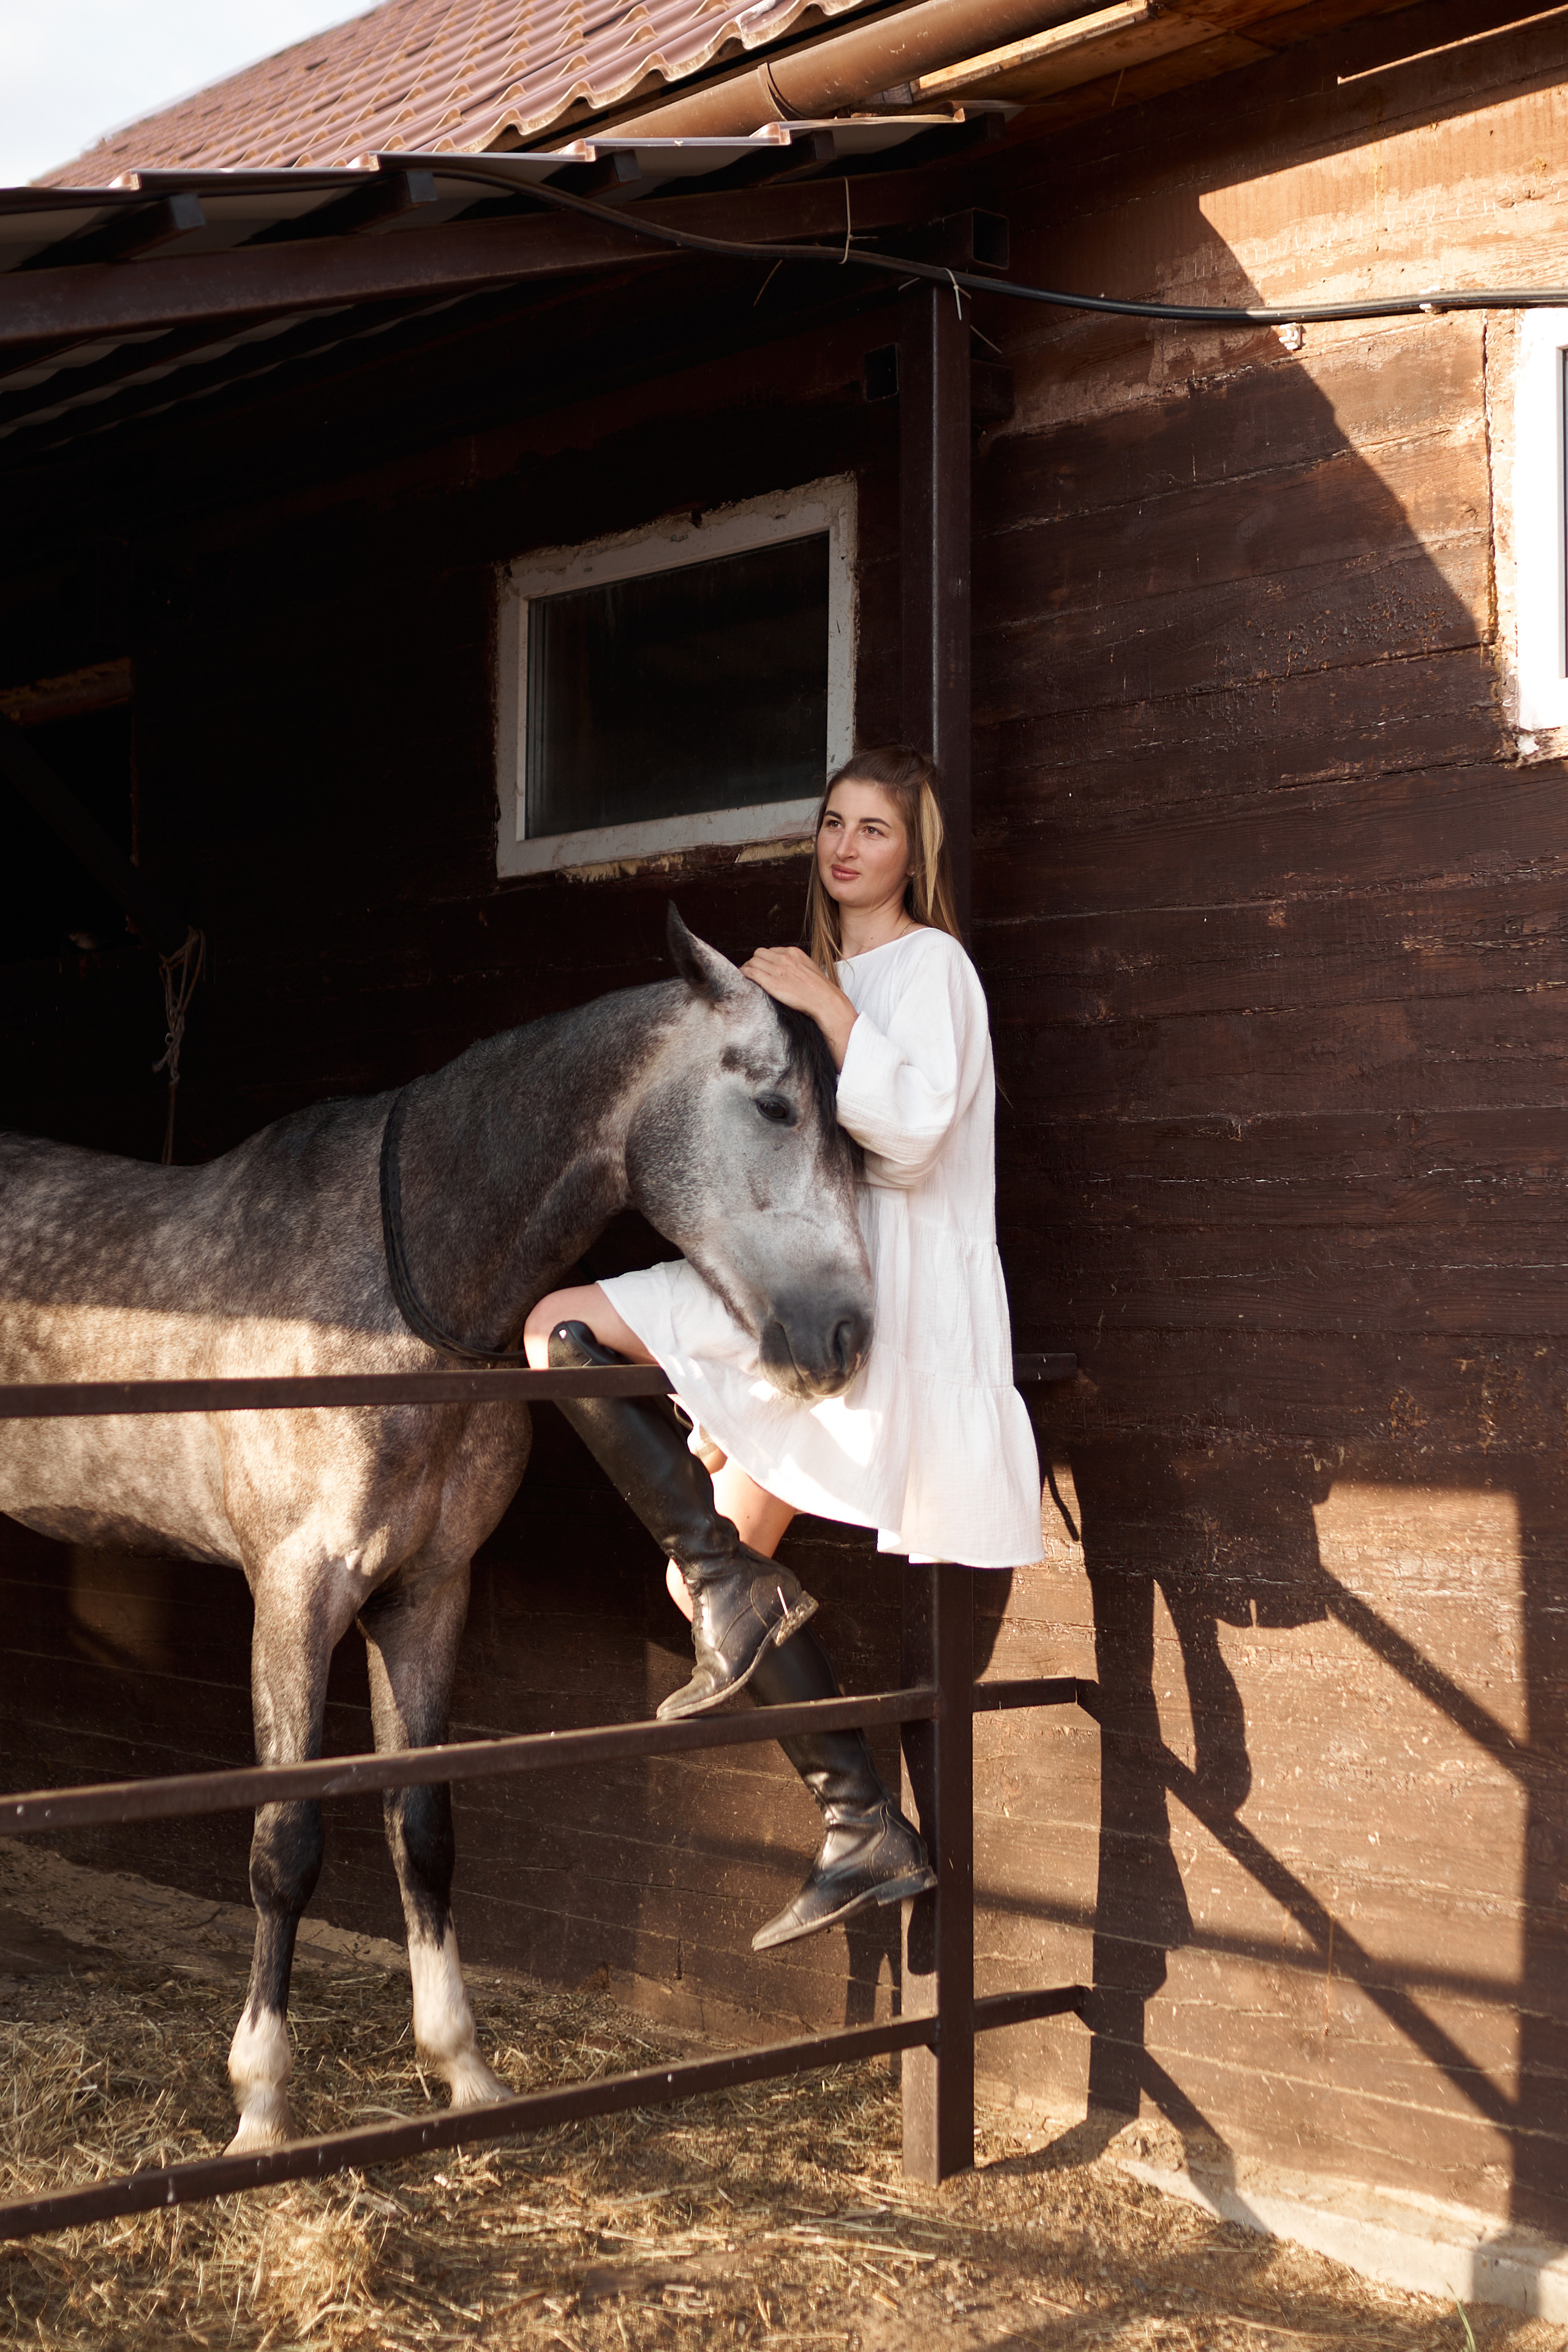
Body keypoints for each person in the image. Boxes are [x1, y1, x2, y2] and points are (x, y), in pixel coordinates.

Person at [524, 744, 1043, 1952]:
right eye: (832, 823)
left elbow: (910, 1140)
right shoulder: (805, 976)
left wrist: (825, 1006)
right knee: (559, 1326)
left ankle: (855, 1815)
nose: (846, 846)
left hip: (878, 1296)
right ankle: (854, 1807)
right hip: (781, 1265)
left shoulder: (932, 970)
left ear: (913, 853)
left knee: (701, 1578)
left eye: (873, 828)